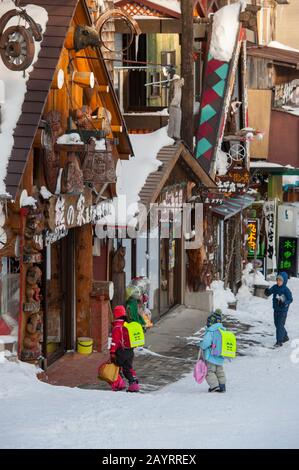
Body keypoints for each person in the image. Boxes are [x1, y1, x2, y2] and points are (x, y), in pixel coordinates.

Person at [110, 305, 140, 392]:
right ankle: (133, 385)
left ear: (116, 314)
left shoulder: (117, 327)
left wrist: (112, 352)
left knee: (116, 367)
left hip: (121, 351)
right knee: (128, 368)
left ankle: (119, 384)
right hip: (130, 351)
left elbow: (114, 342)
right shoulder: (127, 325)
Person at [198, 309, 226, 393]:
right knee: (219, 371)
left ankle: (214, 386)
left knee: (209, 371)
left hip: (211, 356)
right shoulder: (223, 331)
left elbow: (206, 343)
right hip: (220, 356)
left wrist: (201, 344)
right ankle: (222, 386)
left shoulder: (210, 331)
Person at [264, 272, 293, 347]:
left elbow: (290, 299)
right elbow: (270, 292)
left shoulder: (286, 290)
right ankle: (285, 336)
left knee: (280, 325)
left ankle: (279, 342)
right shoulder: (275, 287)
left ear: (284, 281)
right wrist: (267, 292)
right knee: (277, 324)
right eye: (277, 280)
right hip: (276, 309)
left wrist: (285, 303)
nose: (278, 282)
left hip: (283, 311)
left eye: (280, 280)